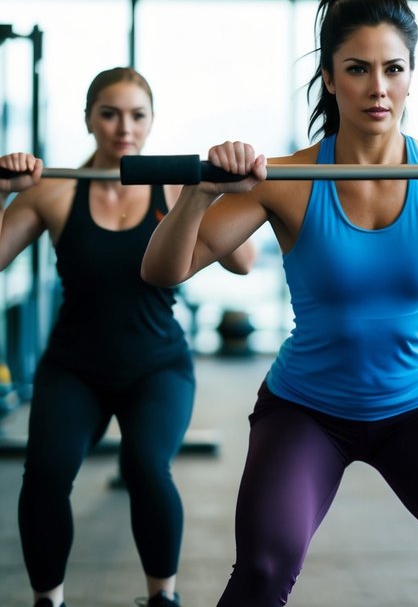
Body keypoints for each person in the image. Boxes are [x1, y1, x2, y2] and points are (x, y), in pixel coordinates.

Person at [140, 0, 418, 607]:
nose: (378, 88)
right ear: (329, 75)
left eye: (394, 69)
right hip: (308, 410)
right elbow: (162, 271)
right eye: (358, 69)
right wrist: (201, 194)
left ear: (412, 74)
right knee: (261, 572)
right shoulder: (285, 179)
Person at [0, 67, 257, 607]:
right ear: (89, 118)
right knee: (45, 476)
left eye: (137, 115)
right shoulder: (54, 191)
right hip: (74, 367)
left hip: (156, 367)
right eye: (110, 113)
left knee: (145, 465)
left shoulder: (171, 185)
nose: (124, 127)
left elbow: (244, 262)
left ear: (151, 121)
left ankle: (162, 597)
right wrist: (1, 193)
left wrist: (207, 193)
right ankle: (48, 600)